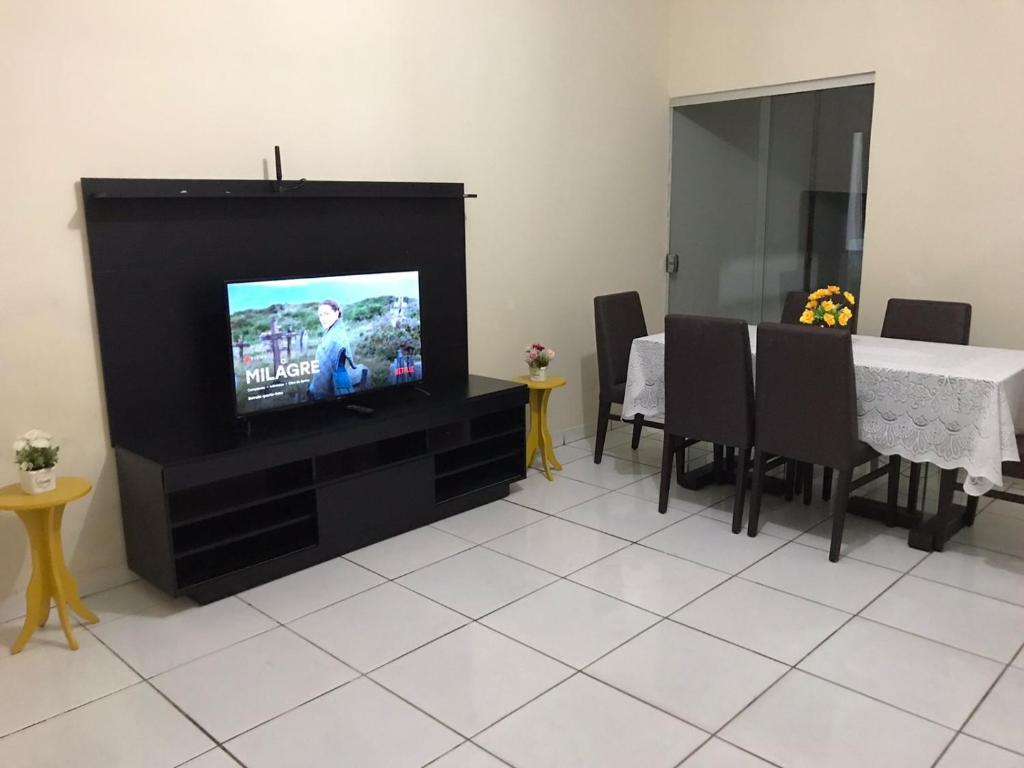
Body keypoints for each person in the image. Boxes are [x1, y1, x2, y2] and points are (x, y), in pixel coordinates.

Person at [307, 299, 354, 400]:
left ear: (337, 313)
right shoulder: (335, 330)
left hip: (336, 385)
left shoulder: (334, 338)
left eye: (326, 314)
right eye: (320, 315)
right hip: (341, 380)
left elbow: (325, 374)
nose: (323, 318)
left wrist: (317, 392)